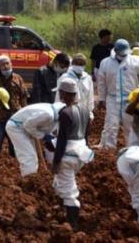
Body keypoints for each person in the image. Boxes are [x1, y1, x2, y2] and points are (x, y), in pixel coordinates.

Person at [51, 78, 94, 231]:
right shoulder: (85, 111)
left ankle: (73, 225)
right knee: (63, 183)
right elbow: (87, 134)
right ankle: (62, 209)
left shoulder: (65, 113)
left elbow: (62, 140)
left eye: (61, 93)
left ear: (66, 94)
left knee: (69, 191)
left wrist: (56, 162)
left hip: (67, 155)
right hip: (81, 152)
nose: (60, 96)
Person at [97, 39, 139, 149]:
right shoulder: (105, 62)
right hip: (112, 99)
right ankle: (109, 150)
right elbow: (101, 83)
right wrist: (101, 98)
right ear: (116, 50)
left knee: (130, 126)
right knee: (111, 126)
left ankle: (132, 149)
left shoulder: (136, 61)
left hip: (131, 100)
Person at [5, 100, 65, 177]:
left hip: (26, 129)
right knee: (29, 156)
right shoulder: (48, 114)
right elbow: (28, 125)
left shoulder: (55, 115)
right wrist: (44, 136)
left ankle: (30, 176)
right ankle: (29, 181)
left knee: (32, 156)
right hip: (16, 127)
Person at [0, 55, 28, 156]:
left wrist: (25, 114)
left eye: (7, 63)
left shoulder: (18, 78)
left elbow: (23, 97)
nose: (6, 66)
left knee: (15, 146)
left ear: (11, 64)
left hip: (15, 116)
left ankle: (14, 167)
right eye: (2, 64)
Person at [55, 53, 95, 127]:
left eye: (82, 64)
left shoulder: (88, 78)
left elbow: (90, 99)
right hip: (68, 114)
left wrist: (90, 115)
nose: (79, 66)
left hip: (83, 114)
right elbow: (58, 98)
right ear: (73, 63)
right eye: (77, 63)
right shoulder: (64, 78)